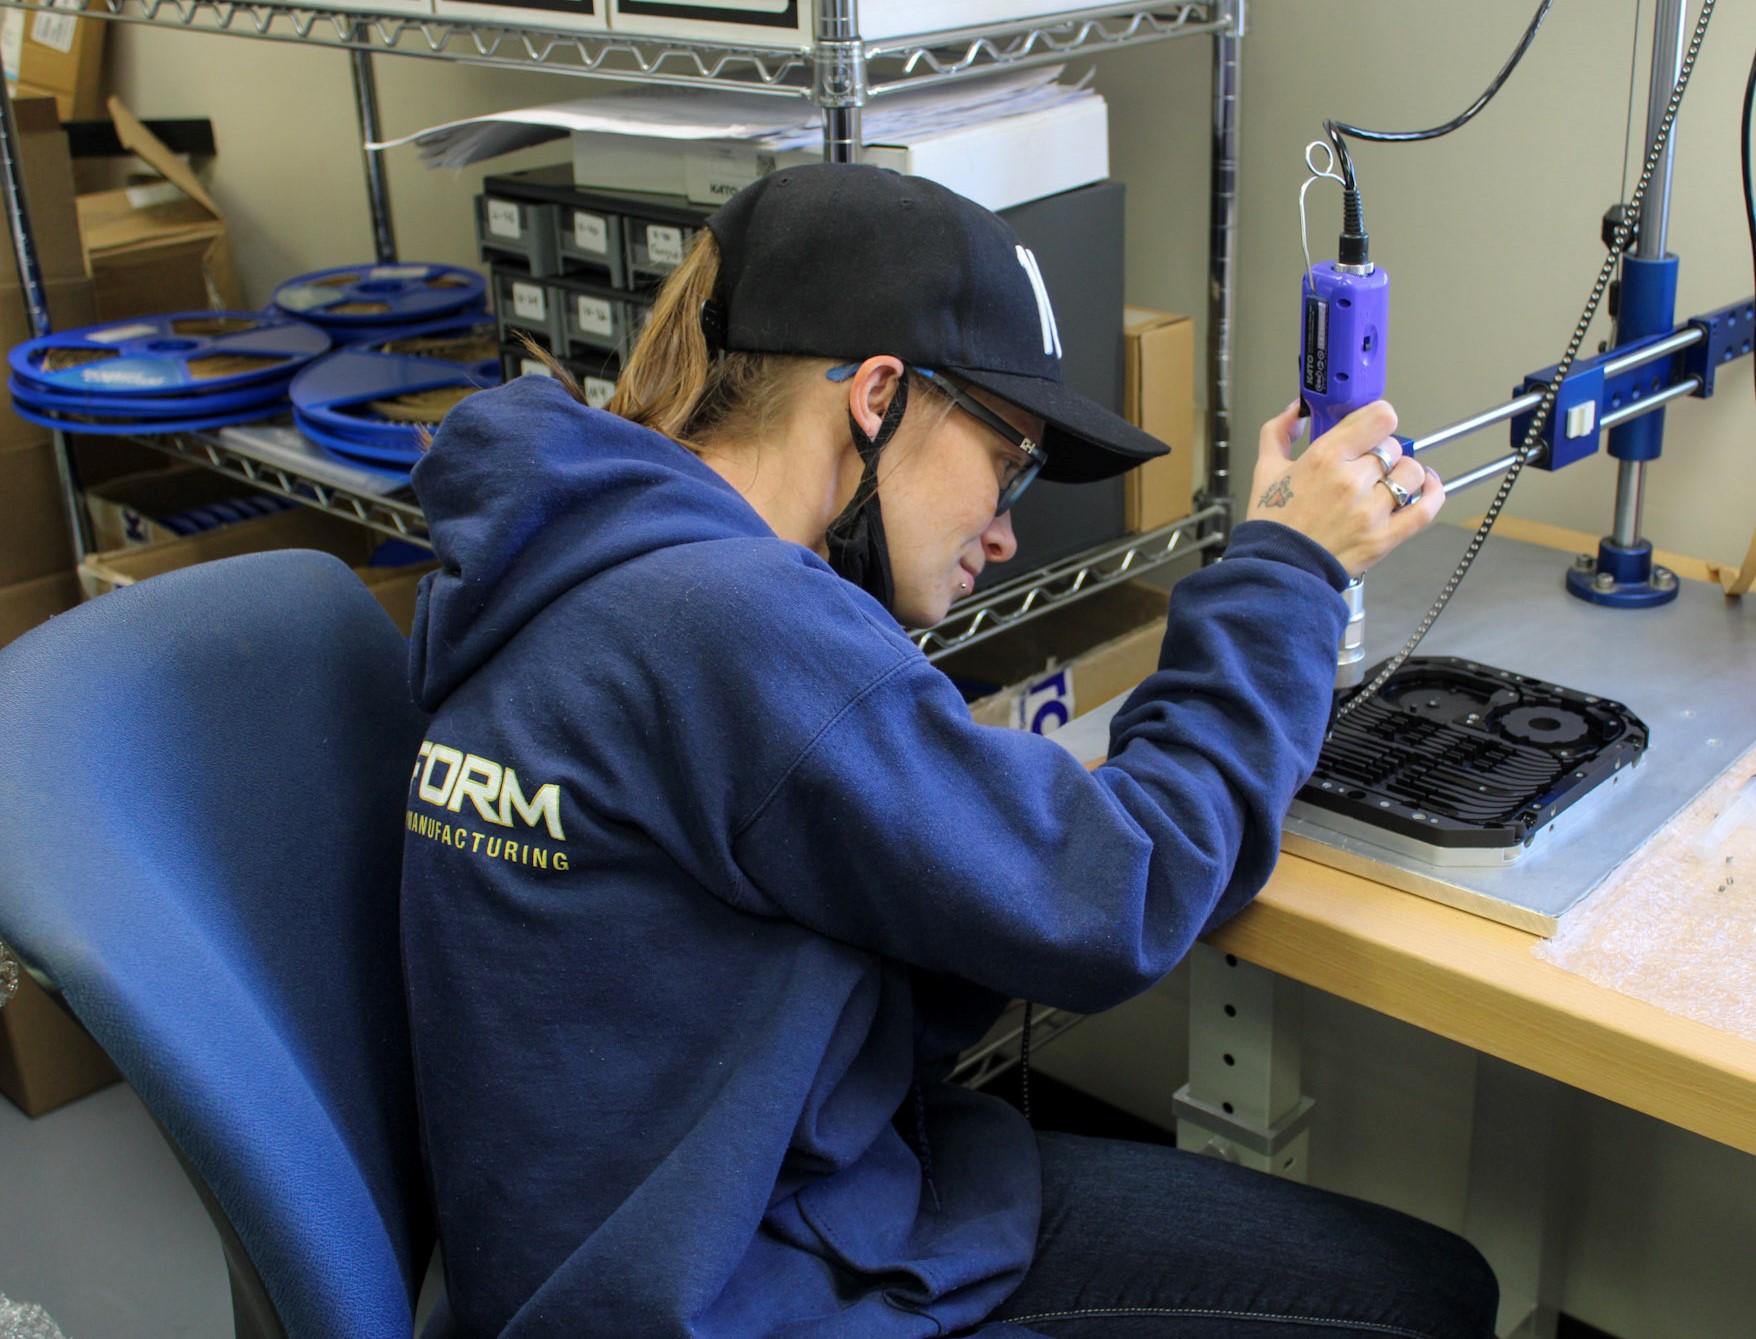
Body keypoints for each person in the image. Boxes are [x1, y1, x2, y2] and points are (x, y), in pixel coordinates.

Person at [400, 163, 1495, 1338]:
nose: (1009, 530)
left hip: (664, 1243)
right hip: (747, 1294)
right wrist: (1289, 569)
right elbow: (1126, 893)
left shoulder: (578, 563)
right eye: (1009, 462)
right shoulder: (732, 623)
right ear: (878, 395)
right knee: (1430, 1298)